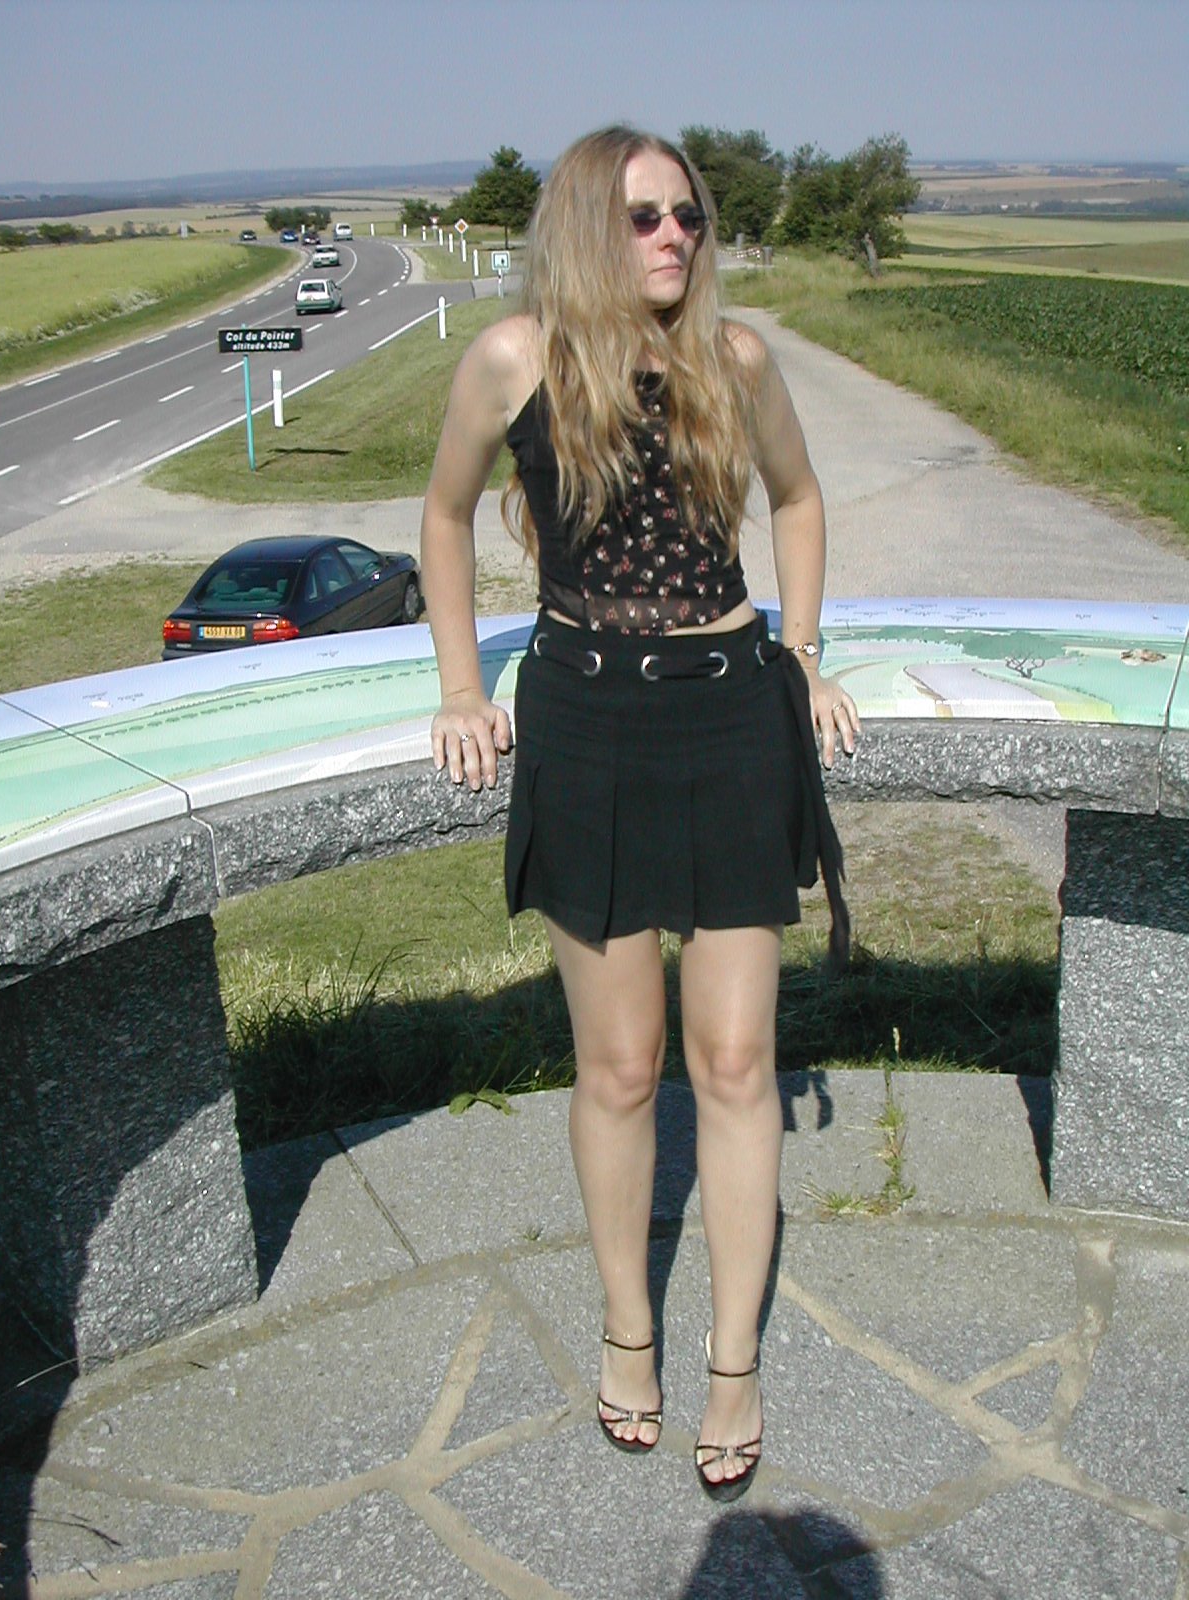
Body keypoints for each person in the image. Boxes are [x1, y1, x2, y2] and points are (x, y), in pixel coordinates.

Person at [420, 125, 859, 1502]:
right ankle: (628, 1332)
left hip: (730, 719)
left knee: (735, 1061)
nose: (672, 236)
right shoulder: (516, 359)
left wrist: (804, 653)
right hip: (587, 724)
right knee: (618, 1066)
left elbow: (800, 499)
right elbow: (443, 518)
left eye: (687, 216)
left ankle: (733, 1361)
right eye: (642, 217)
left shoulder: (738, 362)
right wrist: (460, 687)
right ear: (582, 231)